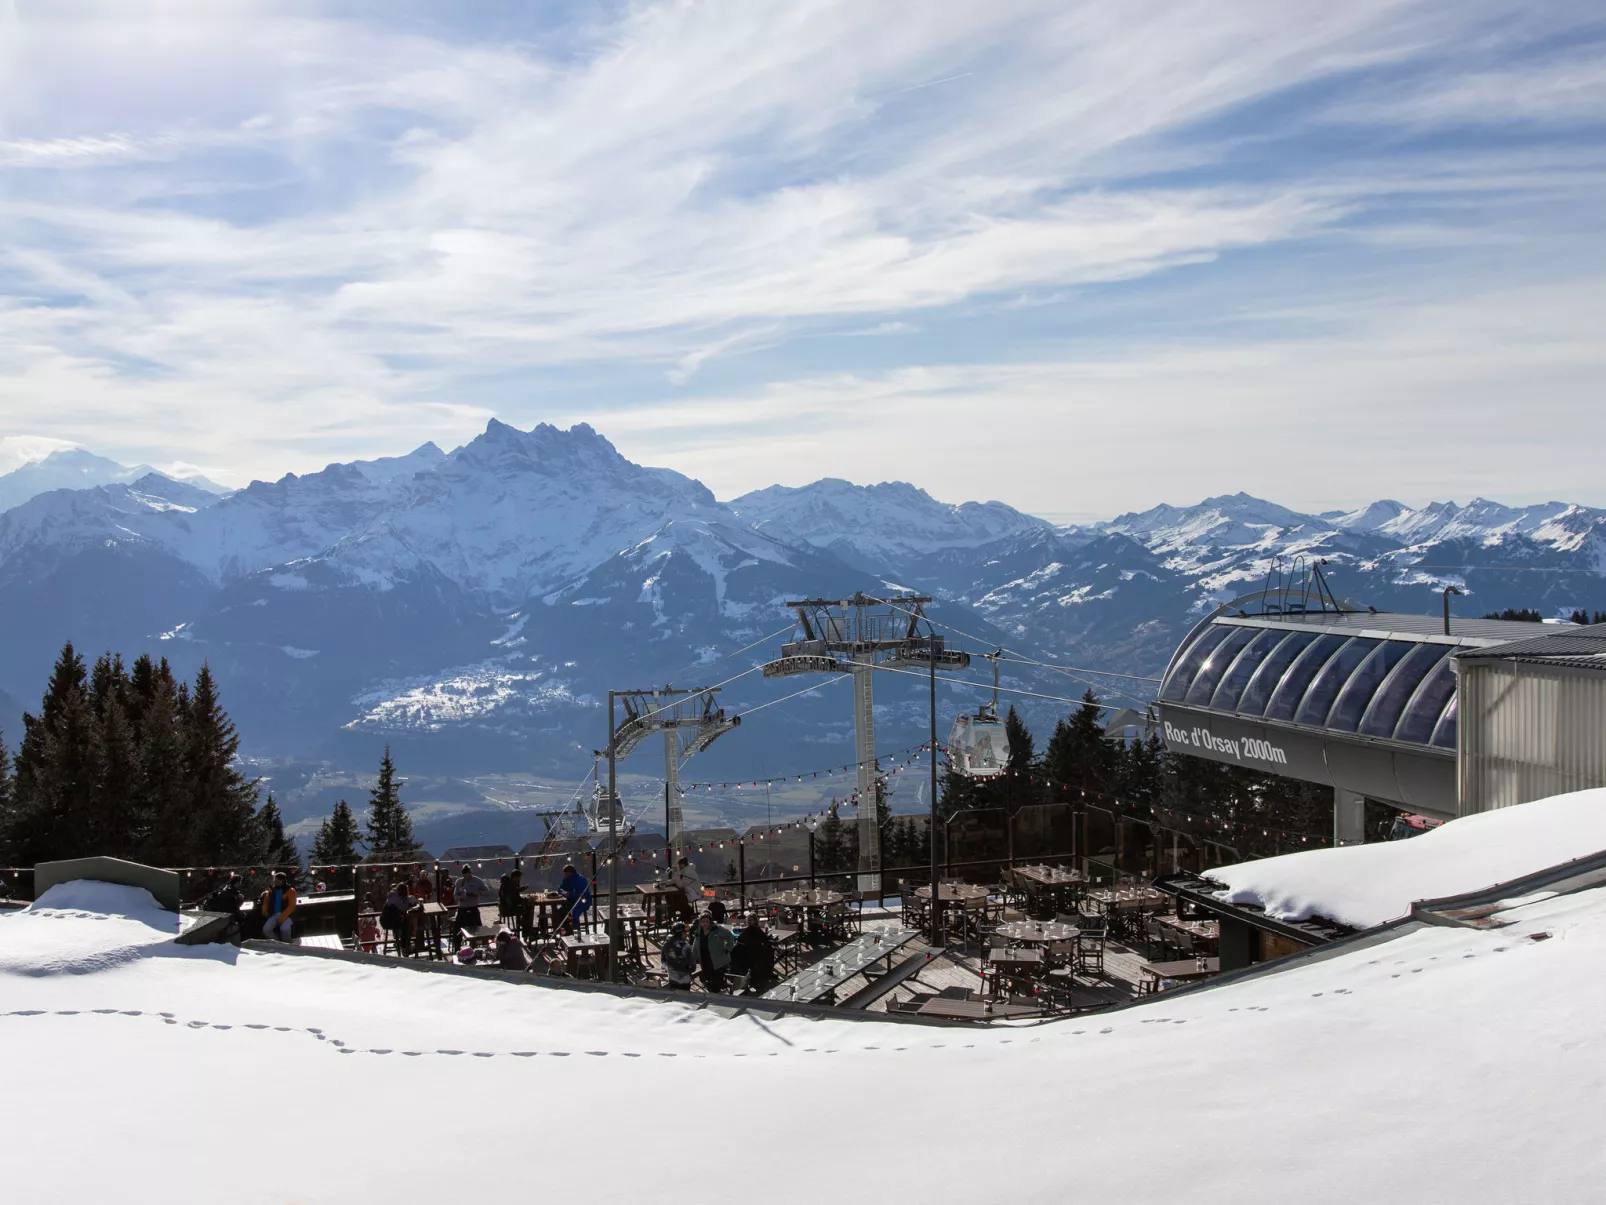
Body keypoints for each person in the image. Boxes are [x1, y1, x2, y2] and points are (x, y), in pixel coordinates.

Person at [731, 912, 777, 994]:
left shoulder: (749, 930)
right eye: (748, 920)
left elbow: (740, 939)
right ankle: (767, 972)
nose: (748, 922)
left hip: (748, 955)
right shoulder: (756, 929)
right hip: (755, 955)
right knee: (770, 950)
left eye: (749, 920)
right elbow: (765, 938)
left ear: (754, 921)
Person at [691, 911, 736, 995]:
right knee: (709, 982)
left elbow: (730, 936)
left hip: (718, 961)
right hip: (705, 960)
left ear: (710, 922)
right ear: (700, 922)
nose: (705, 924)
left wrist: (728, 948)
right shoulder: (698, 932)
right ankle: (715, 996)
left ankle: (720, 997)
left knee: (717, 982)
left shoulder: (717, 929)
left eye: (707, 921)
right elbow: (695, 947)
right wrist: (692, 960)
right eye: (703, 922)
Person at [201, 873, 245, 943]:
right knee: (244, 919)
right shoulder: (233, 893)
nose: (240, 884)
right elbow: (233, 908)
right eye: (240, 882)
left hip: (221, 915)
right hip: (229, 916)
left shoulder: (223, 891)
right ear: (237, 882)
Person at [453, 864, 490, 943]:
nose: (467, 878)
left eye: (469, 876)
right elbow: (455, 896)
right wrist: (461, 897)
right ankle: (457, 948)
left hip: (473, 908)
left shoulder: (477, 881)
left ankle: (477, 947)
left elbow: (487, 892)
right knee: (457, 931)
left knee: (477, 931)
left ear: (471, 873)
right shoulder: (459, 882)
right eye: (465, 877)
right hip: (462, 909)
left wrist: (478, 893)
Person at [381, 880, 419, 955]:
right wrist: (409, 901)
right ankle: (405, 947)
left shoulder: (395, 895)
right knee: (406, 925)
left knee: (405, 923)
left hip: (388, 919)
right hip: (388, 921)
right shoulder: (396, 897)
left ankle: (405, 945)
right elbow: (403, 908)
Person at [258, 871, 297, 943]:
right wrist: (265, 911)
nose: (274, 882)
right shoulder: (271, 890)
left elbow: (292, 906)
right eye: (274, 880)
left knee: (284, 929)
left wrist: (282, 917)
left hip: (287, 916)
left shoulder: (290, 890)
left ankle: (288, 943)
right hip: (274, 914)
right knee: (266, 930)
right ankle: (278, 941)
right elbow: (266, 902)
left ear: (282, 881)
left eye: (276, 880)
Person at [660, 921, 697, 990]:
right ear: (682, 933)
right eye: (685, 933)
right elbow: (693, 967)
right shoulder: (686, 946)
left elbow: (663, 962)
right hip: (684, 980)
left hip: (672, 979)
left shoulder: (666, 944)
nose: (686, 935)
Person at [558, 863, 591, 933]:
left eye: (566, 874)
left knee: (574, 913)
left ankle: (576, 932)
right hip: (571, 901)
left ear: (570, 873)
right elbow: (560, 889)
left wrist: (569, 894)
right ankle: (567, 931)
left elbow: (582, 894)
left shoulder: (581, 879)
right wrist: (563, 892)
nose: (565, 876)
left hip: (582, 901)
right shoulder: (566, 879)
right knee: (560, 911)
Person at [671, 856, 704, 920]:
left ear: (683, 865)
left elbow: (680, 884)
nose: (679, 867)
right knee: (677, 897)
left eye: (680, 865)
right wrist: (665, 882)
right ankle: (685, 912)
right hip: (688, 891)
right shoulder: (684, 871)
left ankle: (686, 912)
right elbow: (676, 880)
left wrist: (677, 874)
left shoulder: (690, 872)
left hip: (695, 892)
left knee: (679, 898)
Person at [498, 867, 524, 932]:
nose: (520, 879)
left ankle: (521, 924)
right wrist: (526, 900)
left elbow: (513, 894)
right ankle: (524, 926)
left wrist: (522, 889)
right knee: (526, 908)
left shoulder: (506, 884)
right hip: (509, 909)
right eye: (519, 878)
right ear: (515, 877)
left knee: (522, 907)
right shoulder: (511, 885)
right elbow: (516, 898)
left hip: (503, 908)